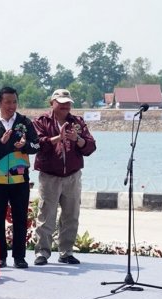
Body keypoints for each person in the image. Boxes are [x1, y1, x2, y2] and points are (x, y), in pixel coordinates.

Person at [0, 87, 40, 269]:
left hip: (19, 178)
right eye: (8, 102)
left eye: (14, 102)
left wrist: (25, 145)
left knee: (20, 217)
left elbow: (37, 145)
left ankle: (19, 257)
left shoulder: (24, 122)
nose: (12, 105)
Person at [32, 89, 97, 265]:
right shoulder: (41, 121)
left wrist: (78, 139)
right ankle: (42, 253)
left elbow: (90, 146)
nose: (65, 106)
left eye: (68, 103)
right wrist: (56, 138)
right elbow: (37, 145)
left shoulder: (77, 122)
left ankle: (66, 252)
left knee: (71, 215)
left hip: (72, 176)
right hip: (50, 176)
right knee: (46, 215)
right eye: (61, 103)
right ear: (51, 103)